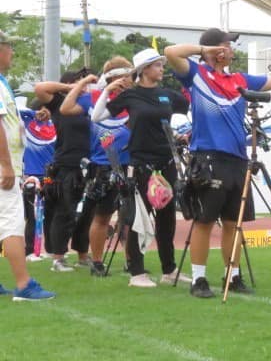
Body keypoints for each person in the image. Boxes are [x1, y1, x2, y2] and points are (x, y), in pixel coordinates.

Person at [164, 27, 271, 298]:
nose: (233, 50)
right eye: (228, 45)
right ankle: (198, 280)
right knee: (204, 221)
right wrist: (205, 51)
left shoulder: (240, 79)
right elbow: (170, 52)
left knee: (231, 222)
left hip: (238, 160)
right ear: (218, 49)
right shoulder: (197, 75)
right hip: (209, 158)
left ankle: (233, 275)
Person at [91, 48, 192, 288]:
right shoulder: (130, 96)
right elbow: (97, 116)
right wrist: (107, 90)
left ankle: (169, 269)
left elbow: (190, 106)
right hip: (140, 165)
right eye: (157, 65)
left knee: (167, 219)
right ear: (144, 69)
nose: (162, 69)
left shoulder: (167, 94)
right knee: (138, 218)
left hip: (166, 163)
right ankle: (137, 273)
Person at [60, 56, 133, 277]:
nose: (130, 80)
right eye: (126, 76)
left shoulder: (133, 98)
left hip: (130, 164)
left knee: (129, 218)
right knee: (102, 216)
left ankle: (132, 261)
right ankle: (98, 262)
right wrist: (85, 84)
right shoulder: (93, 98)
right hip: (103, 165)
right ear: (114, 77)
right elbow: (65, 108)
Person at [0, 31, 55, 300]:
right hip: (3, 165)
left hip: (5, 162)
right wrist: (7, 165)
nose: (11, 53)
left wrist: (33, 115)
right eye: (9, 47)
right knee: (11, 224)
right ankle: (24, 284)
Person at [34, 70, 92, 272]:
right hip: (67, 163)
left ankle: (83, 255)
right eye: (78, 81)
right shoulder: (59, 102)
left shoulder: (87, 104)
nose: (84, 86)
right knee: (65, 210)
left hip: (91, 163)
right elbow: (40, 88)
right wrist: (72, 87)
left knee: (87, 213)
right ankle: (58, 257)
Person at [19, 103, 55, 261]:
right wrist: (36, 112)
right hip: (32, 176)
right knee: (34, 215)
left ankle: (51, 250)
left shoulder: (55, 125)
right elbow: (13, 110)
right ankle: (30, 251)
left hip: (51, 175)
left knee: (51, 214)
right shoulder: (28, 122)